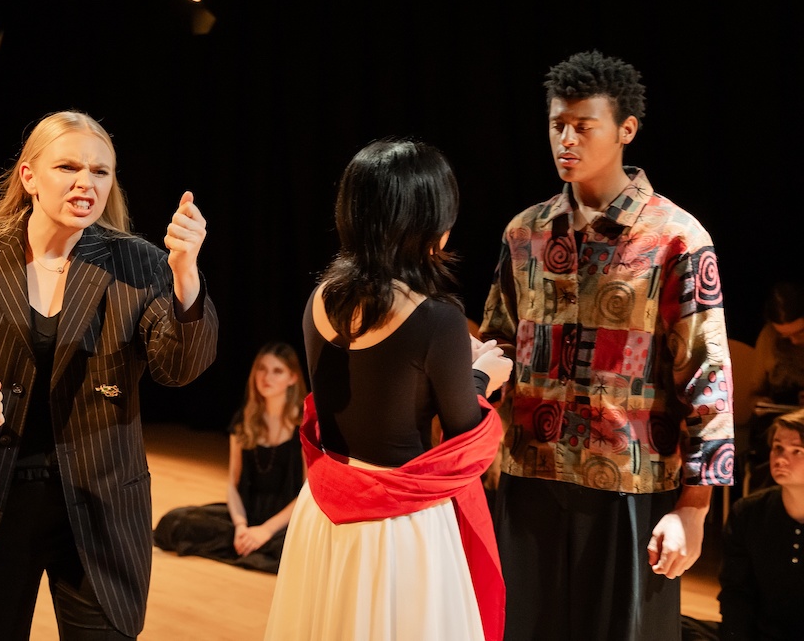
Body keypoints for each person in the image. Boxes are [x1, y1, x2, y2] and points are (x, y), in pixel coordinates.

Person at [0, 109, 219, 640]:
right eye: (68, 167)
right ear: (28, 176)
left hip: (99, 505)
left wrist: (185, 272)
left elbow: (177, 367)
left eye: (101, 172)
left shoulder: (139, 264)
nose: (86, 183)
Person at [480, 50, 735, 641]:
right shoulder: (524, 233)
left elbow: (707, 377)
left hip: (631, 484)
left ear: (626, 130)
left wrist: (694, 511)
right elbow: (494, 348)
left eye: (583, 125)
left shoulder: (676, 238)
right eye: (556, 125)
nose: (566, 139)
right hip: (529, 476)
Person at [264, 138, 514, 640]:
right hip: (399, 525)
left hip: (325, 512)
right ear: (429, 224)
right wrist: (484, 374)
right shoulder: (437, 317)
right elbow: (465, 433)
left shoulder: (319, 298)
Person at [153, 341, 306, 574]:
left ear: (292, 378)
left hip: (286, 519)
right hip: (249, 512)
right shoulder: (244, 420)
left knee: (297, 550)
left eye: (277, 371)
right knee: (174, 523)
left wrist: (265, 530)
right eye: (262, 369)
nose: (267, 377)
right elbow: (233, 484)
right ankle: (246, 542)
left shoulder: (304, 425)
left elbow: (307, 492)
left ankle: (257, 544)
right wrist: (241, 525)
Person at [717, 408, 804, 640]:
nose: (782, 459)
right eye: (778, 448)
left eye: (797, 451)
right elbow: (736, 593)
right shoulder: (748, 512)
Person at [741, 280, 804, 491]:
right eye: (784, 336)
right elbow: (754, 393)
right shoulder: (768, 338)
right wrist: (759, 402)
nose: (793, 341)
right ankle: (770, 511)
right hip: (776, 421)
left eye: (800, 333)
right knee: (772, 449)